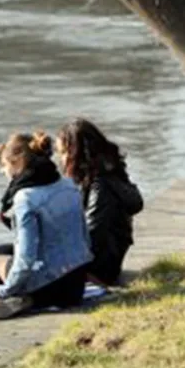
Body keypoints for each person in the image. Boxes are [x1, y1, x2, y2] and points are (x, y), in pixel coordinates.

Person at [0, 132, 94, 323]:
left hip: (49, 285)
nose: (3, 172)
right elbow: (83, 237)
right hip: (75, 285)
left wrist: (2, 290)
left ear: (16, 163)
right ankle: (22, 301)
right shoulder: (68, 185)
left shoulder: (25, 198)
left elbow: (26, 259)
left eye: (4, 166)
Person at [56, 118, 144, 286]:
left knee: (4, 256)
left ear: (77, 153)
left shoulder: (101, 186)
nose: (62, 159)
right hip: (98, 261)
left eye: (64, 152)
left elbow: (93, 238)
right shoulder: (101, 176)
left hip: (99, 268)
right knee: (6, 253)